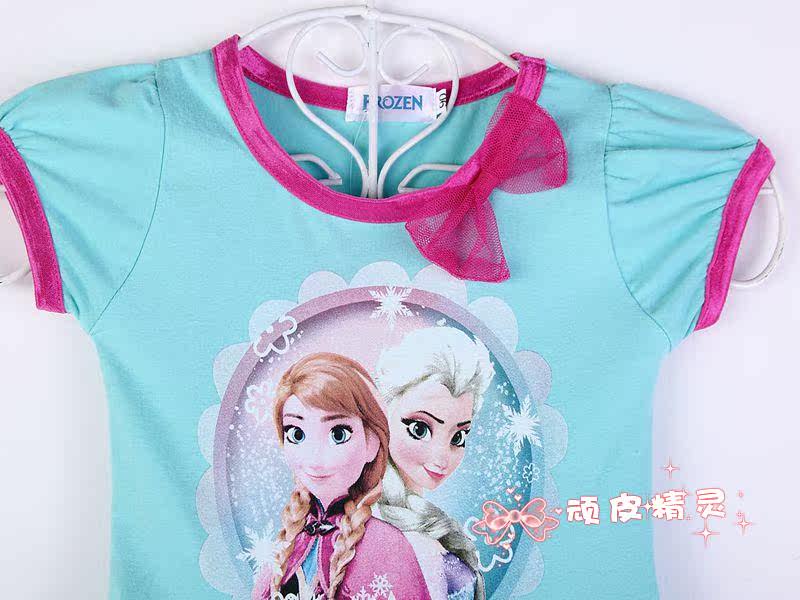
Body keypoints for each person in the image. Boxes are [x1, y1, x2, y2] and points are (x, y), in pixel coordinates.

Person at [252, 352, 431, 600]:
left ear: (372, 443)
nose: (314, 458)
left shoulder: (387, 546)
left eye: (338, 434)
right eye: (296, 434)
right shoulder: (290, 540)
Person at [374, 327, 495, 600]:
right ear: (383, 411)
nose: (441, 458)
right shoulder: (365, 525)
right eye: (419, 429)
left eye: (457, 437)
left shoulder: (427, 524)